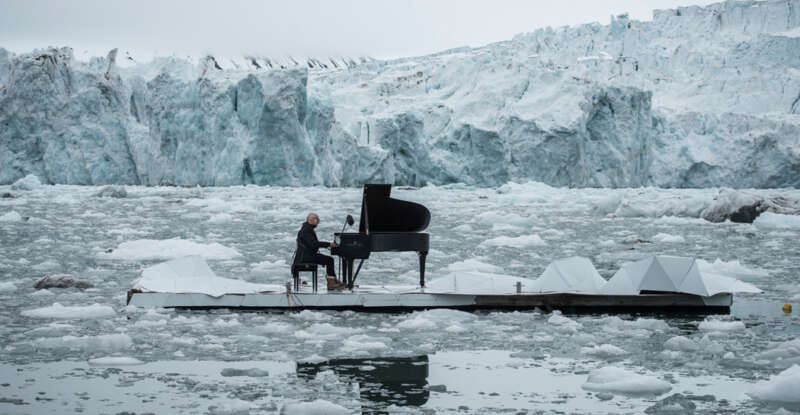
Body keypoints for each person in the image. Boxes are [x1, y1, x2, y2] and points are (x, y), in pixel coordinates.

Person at [295, 213, 345, 291]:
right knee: (329, 260)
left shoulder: (307, 228)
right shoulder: (306, 230)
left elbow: (313, 244)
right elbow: (313, 244)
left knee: (328, 259)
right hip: (306, 257)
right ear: (310, 220)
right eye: (316, 219)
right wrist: (329, 244)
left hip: (307, 255)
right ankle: (332, 284)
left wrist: (327, 245)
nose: (318, 221)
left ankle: (333, 281)